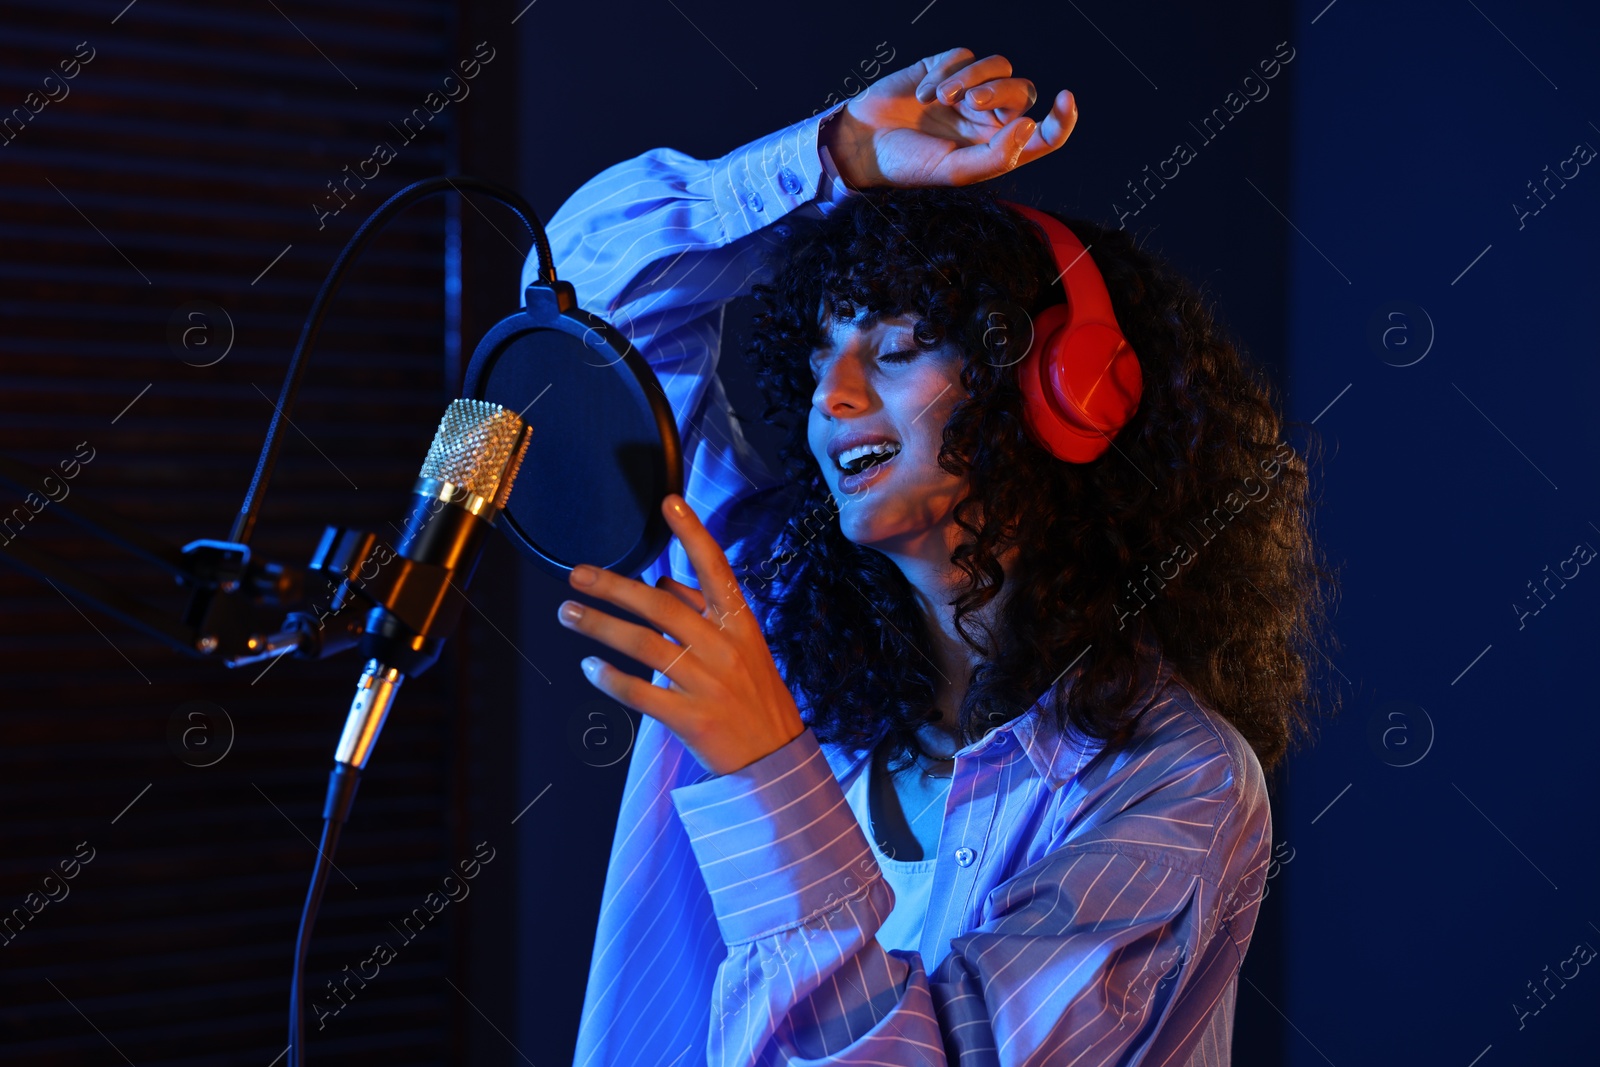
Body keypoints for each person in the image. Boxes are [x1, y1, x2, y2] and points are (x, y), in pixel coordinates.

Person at [533, 46, 1332, 1066]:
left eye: (895, 350)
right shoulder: (761, 598)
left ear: (1059, 391)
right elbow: (577, 302)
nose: (833, 395)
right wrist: (836, 156)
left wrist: (767, 773)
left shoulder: (1173, 780)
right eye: (819, 353)